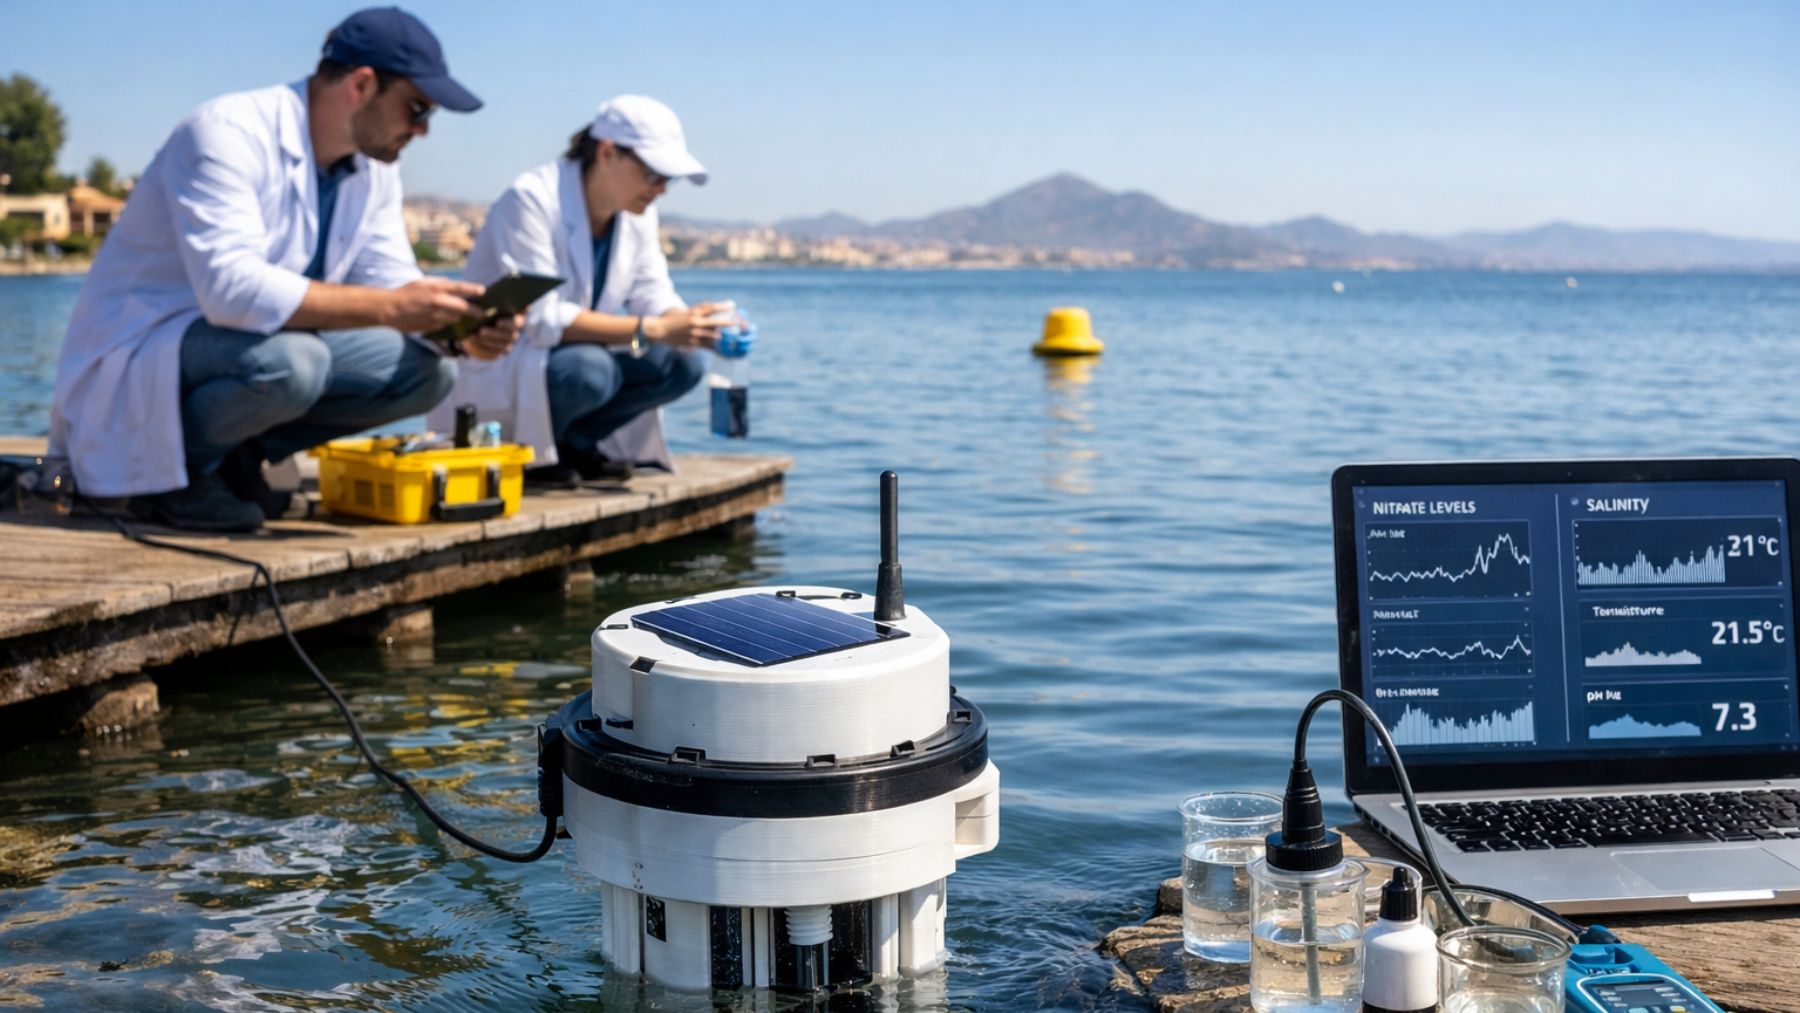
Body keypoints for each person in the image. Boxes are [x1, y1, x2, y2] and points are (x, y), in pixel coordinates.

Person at [48, 7, 520, 532]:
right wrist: (396, 308)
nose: (423, 129)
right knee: (295, 365)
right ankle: (169, 483)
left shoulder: (373, 169)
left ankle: (232, 458)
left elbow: (391, 280)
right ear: (362, 85)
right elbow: (231, 290)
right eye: (416, 108)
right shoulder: (225, 132)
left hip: (246, 348)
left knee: (428, 372)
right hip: (145, 345)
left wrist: (459, 330)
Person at [429, 95, 727, 481]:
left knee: (684, 362)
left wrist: (695, 325)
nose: (661, 190)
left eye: (668, 179)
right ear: (607, 154)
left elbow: (653, 293)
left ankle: (577, 443)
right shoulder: (531, 198)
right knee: (590, 368)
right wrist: (653, 329)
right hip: (512, 361)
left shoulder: (639, 215)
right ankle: (537, 454)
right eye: (654, 174)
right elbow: (541, 318)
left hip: (571, 360)